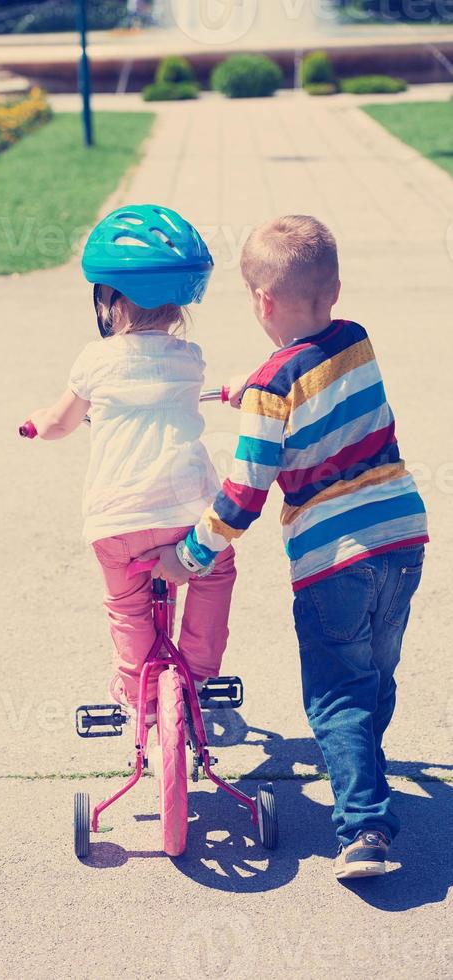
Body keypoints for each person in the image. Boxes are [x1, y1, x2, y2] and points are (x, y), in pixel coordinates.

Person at [140, 214, 428, 879]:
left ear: (260, 302)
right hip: (402, 539)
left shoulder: (271, 390)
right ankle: (368, 775)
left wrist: (187, 557)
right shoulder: (356, 340)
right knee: (373, 676)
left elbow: (244, 494)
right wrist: (264, 387)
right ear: (334, 288)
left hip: (334, 564)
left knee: (336, 694)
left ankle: (364, 831)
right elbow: (311, 378)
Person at [25, 204, 236, 724]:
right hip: (188, 512)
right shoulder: (191, 358)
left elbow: (59, 422)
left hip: (117, 520)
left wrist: (35, 422)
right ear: (181, 303)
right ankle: (200, 674)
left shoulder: (93, 361)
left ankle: (137, 690)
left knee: (126, 603)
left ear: (108, 300)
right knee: (214, 572)